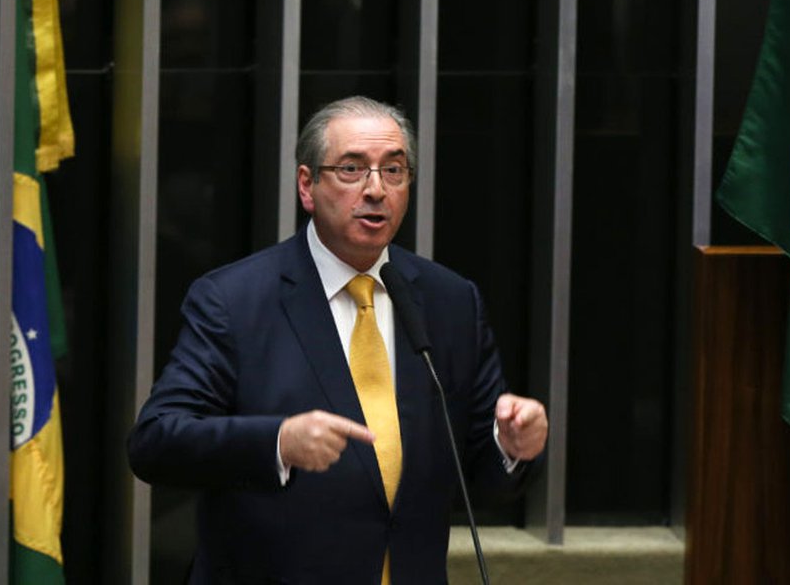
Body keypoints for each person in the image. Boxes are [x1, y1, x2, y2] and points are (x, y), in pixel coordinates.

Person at [128, 95, 549, 583]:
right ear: (307, 186)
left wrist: (513, 444)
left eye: (394, 171)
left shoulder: (450, 301)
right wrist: (279, 442)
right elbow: (156, 442)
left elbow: (481, 477)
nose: (376, 189)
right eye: (352, 169)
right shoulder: (234, 300)